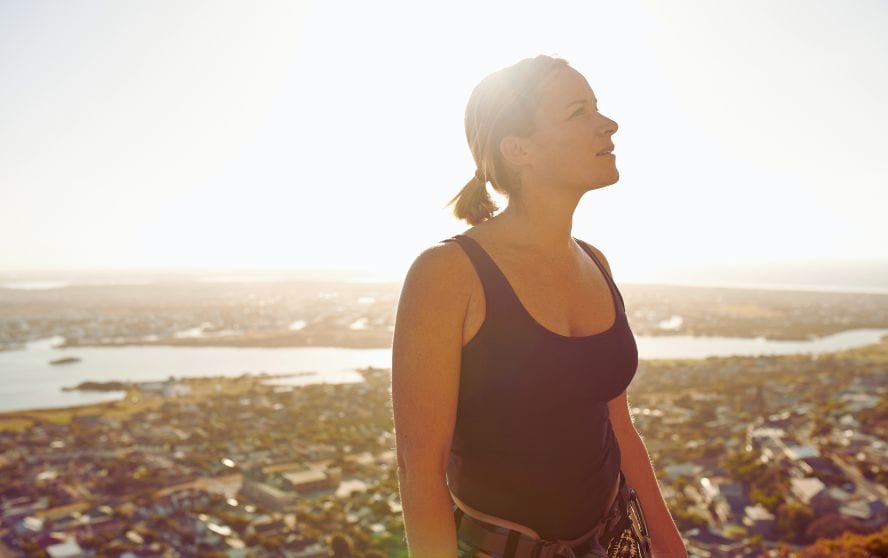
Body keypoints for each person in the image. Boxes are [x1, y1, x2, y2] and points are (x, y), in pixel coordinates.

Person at [391, 55, 687, 557]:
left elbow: (617, 426)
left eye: (598, 107)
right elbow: (420, 475)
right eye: (578, 112)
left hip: (613, 541)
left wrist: (671, 547)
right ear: (519, 149)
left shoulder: (596, 262)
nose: (608, 123)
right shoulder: (447, 275)